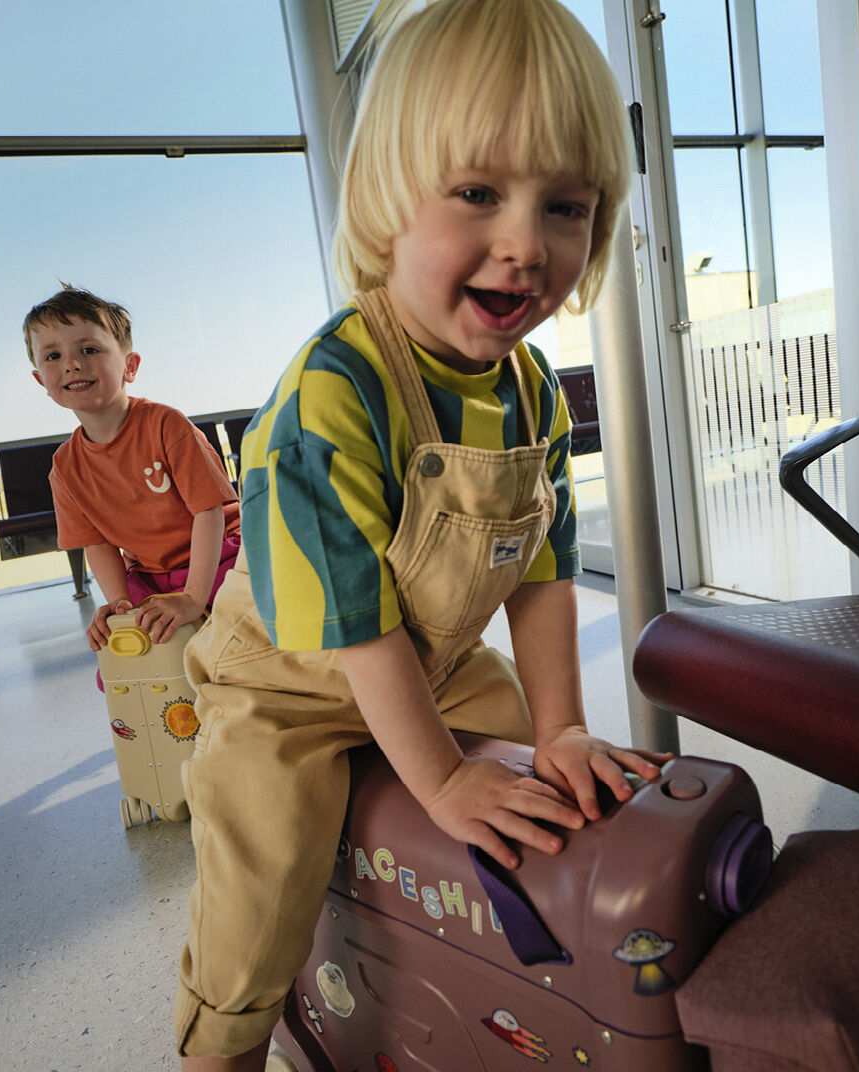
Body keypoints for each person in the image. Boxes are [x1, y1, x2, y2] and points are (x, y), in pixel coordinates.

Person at [175, 1, 672, 1067]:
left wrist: (560, 728)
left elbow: (540, 574)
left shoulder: (532, 390)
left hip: (433, 666)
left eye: (565, 206)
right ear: (385, 198)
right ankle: (223, 1042)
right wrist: (442, 783)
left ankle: (497, 987)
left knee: (542, 790)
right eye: (479, 193)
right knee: (265, 864)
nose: (524, 245)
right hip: (289, 680)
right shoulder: (331, 394)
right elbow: (353, 626)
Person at [24, 285, 241, 650]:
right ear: (41, 381)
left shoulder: (167, 425)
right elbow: (97, 544)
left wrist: (192, 598)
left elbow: (209, 512)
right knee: (126, 653)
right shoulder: (64, 467)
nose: (71, 364)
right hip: (151, 574)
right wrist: (119, 605)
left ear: (130, 366)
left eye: (88, 349)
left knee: (233, 640)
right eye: (53, 355)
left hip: (222, 554)